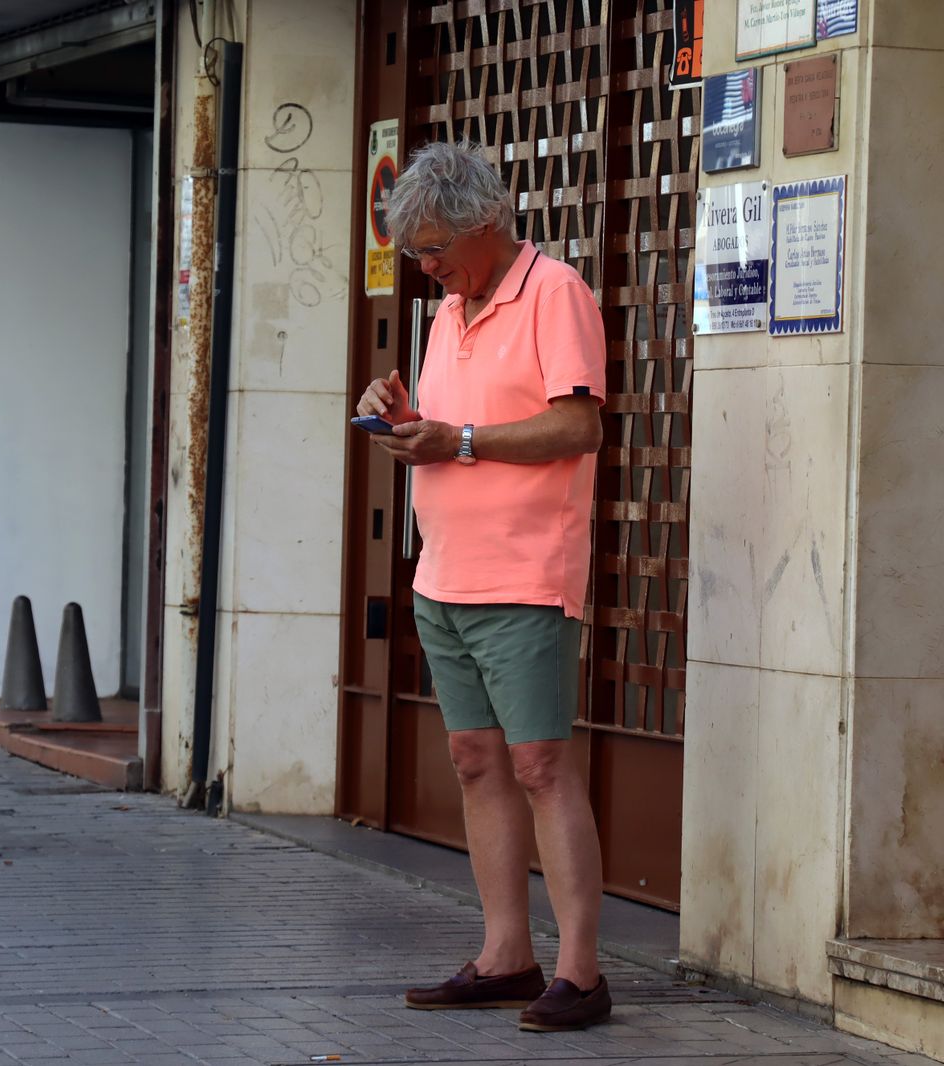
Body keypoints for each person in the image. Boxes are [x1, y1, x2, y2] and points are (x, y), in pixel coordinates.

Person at [354, 141, 610, 1033]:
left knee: (541, 765)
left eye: (434, 251)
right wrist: (406, 420)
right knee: (474, 761)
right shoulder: (444, 314)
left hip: (526, 573)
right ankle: (506, 954)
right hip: (445, 573)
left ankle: (581, 972)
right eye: (417, 255)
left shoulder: (555, 294)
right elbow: (451, 426)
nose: (427, 271)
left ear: (484, 223)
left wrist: (457, 441)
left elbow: (576, 425)